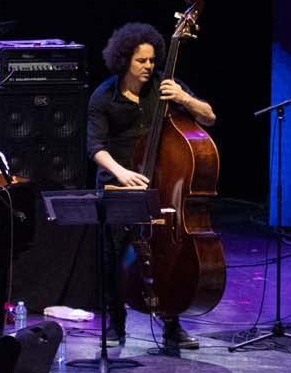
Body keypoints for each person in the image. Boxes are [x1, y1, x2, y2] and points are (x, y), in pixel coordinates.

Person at [86, 21, 216, 352]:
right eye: (141, 61)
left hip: (161, 185)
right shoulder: (104, 96)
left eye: (152, 60)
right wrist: (121, 173)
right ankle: (116, 323)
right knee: (113, 256)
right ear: (124, 60)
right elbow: (95, 146)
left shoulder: (167, 85)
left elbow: (209, 117)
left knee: (167, 257)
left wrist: (184, 98)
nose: (148, 66)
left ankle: (172, 324)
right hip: (119, 185)